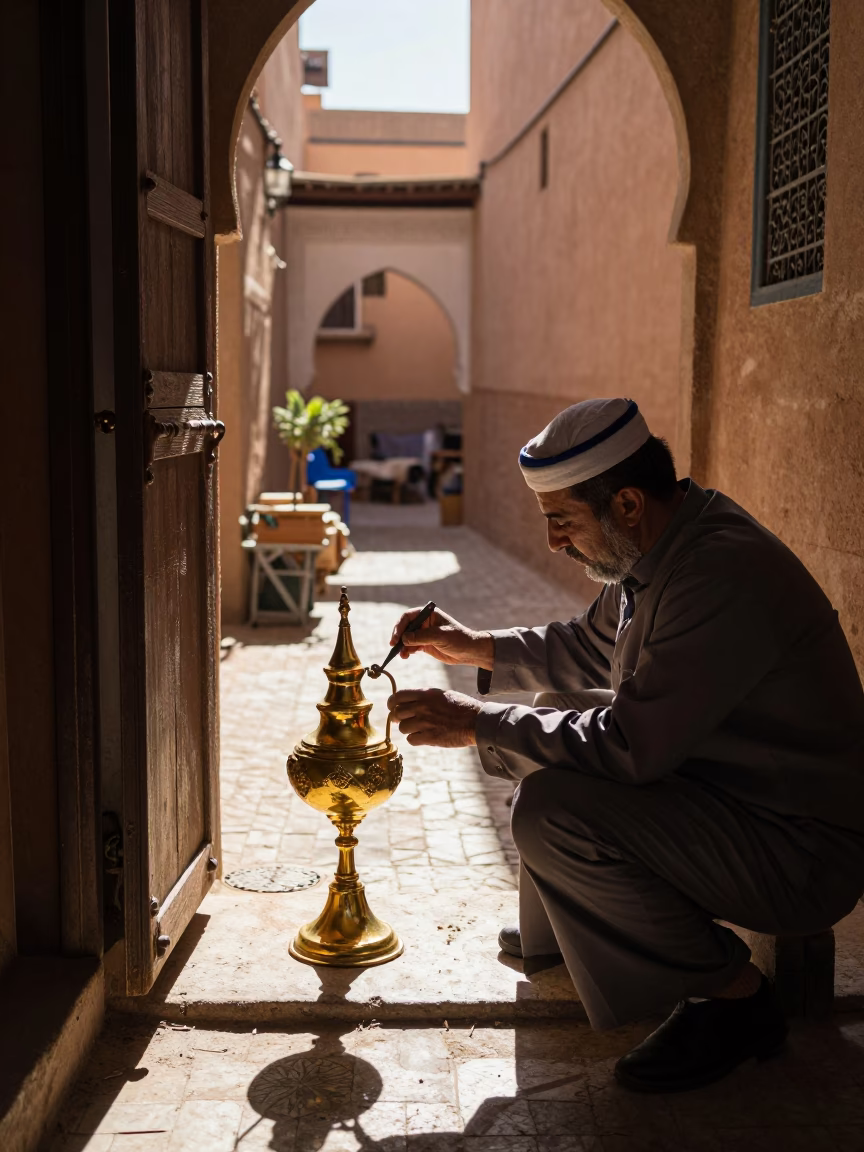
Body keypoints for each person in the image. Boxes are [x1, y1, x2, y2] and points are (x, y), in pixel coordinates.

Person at [387, 397, 864, 1093]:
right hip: (730, 797)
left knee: (553, 809)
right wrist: (470, 646)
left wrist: (476, 723)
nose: (553, 542)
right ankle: (562, 930)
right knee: (553, 710)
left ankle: (733, 1000)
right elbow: (587, 647)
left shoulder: (716, 574)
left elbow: (628, 746)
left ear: (629, 503)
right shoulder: (666, 541)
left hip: (796, 851)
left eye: (563, 522)